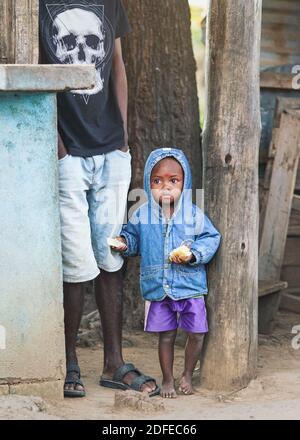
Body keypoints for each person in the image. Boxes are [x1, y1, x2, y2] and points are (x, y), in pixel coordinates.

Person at [39, 0, 159, 398]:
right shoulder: (35, 7)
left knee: (111, 254)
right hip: (67, 153)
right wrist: (58, 148)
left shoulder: (110, 3)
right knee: (75, 262)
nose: (82, 50)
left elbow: (118, 65)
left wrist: (122, 136)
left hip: (111, 153)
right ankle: (68, 361)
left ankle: (113, 362)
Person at [111, 148, 221, 398]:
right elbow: (133, 239)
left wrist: (194, 255)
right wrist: (124, 243)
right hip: (159, 290)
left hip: (190, 286)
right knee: (166, 336)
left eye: (174, 181)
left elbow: (211, 237)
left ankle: (187, 375)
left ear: (185, 183)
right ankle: (168, 379)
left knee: (197, 334)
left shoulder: (193, 214)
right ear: (149, 183)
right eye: (157, 181)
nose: (166, 187)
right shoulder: (142, 215)